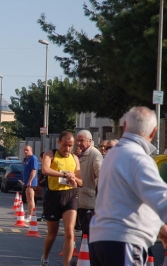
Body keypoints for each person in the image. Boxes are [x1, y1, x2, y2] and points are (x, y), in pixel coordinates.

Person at [89, 107, 167, 266]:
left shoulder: (112, 155)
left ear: (124, 126)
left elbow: (128, 200)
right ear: (153, 132)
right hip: (125, 241)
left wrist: (160, 227)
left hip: (100, 238)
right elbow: (161, 198)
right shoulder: (138, 158)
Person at [40, 131, 82, 266]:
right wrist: (64, 175)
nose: (67, 149)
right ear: (59, 142)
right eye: (65, 145)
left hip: (70, 195)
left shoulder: (75, 158)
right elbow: (45, 170)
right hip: (53, 196)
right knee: (52, 234)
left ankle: (66, 264)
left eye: (70, 146)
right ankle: (45, 257)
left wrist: (73, 178)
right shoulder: (50, 154)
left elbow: (81, 182)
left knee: (70, 232)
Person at [75, 130, 103, 238]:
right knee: (83, 230)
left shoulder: (95, 154)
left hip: (89, 200)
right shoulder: (79, 154)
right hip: (79, 199)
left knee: (88, 232)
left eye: (81, 141)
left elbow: (101, 175)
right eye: (77, 141)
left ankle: (88, 254)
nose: (78, 143)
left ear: (90, 141)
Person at [22, 145, 39, 224]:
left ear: (31, 150)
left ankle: (31, 216)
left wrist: (30, 181)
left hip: (31, 183)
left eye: (27, 150)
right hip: (26, 182)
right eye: (24, 150)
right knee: (27, 199)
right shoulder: (27, 159)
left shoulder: (33, 158)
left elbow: (34, 171)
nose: (25, 151)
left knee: (30, 199)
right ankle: (29, 215)